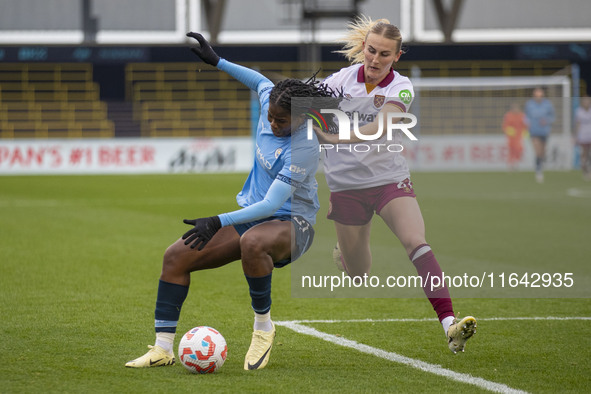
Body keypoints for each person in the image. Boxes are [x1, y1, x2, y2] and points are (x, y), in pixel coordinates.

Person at [125, 32, 338, 370]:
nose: (272, 122)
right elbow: (259, 80)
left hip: (292, 225)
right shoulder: (273, 101)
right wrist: (218, 61)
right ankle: (163, 348)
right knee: (175, 257)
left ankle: (263, 328)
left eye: (281, 120)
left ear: (302, 116)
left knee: (253, 241)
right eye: (270, 115)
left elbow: (271, 206)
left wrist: (217, 220)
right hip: (252, 218)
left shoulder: (306, 146)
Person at [316, 15, 476, 354]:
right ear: (363, 48)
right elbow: (305, 105)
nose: (375, 60)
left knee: (416, 242)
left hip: (389, 180)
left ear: (397, 57)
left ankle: (450, 325)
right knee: (359, 273)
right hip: (346, 187)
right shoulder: (339, 80)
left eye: (384, 55)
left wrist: (333, 136)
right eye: (371, 51)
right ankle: (345, 258)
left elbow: (380, 127)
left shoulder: (401, 86)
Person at [524, 87, 555, 183]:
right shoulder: (529, 105)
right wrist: (527, 124)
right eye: (536, 95)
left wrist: (547, 121)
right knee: (537, 151)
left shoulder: (548, 104)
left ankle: (540, 166)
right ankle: (538, 171)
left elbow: (553, 116)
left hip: (544, 131)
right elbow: (525, 117)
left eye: (540, 95)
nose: (538, 97)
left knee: (542, 152)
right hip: (534, 131)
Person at [502, 102, 528, 170]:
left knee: (519, 149)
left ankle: (516, 163)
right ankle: (510, 164)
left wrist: (525, 132)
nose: (515, 109)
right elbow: (505, 125)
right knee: (511, 150)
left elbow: (526, 125)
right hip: (511, 137)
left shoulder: (522, 115)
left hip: (519, 136)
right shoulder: (508, 115)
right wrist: (509, 131)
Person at [575, 95, 591, 180]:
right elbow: (578, 124)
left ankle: (589, 170)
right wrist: (576, 136)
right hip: (583, 136)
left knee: (589, 154)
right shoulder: (579, 111)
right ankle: (585, 170)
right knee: (584, 154)